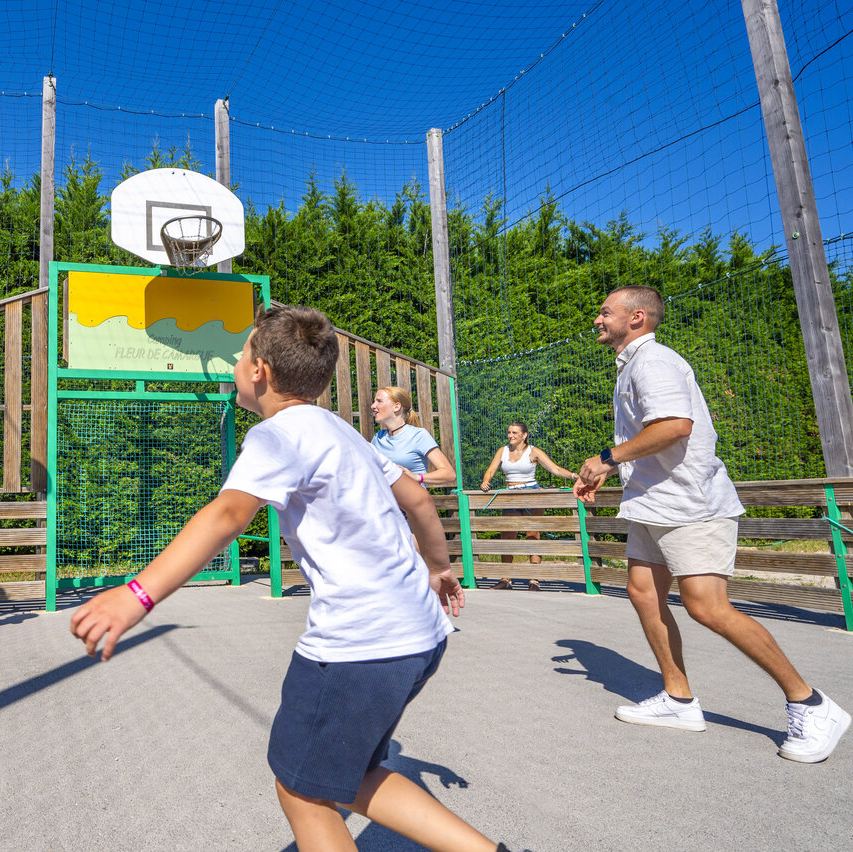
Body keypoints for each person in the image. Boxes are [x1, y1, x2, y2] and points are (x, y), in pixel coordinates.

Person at [71, 306, 519, 852]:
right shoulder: (345, 433)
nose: (236, 364)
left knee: (301, 788)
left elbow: (228, 514)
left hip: (361, 644)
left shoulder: (276, 435)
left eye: (240, 355)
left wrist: (135, 594)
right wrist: (440, 568)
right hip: (420, 636)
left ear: (258, 370)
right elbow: (419, 500)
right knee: (346, 775)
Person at [575, 285, 849, 763]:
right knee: (643, 592)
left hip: (690, 506)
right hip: (654, 505)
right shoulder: (632, 365)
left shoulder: (653, 361)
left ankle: (811, 702)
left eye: (605, 312)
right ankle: (679, 700)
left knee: (708, 608)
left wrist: (605, 459)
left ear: (636, 318)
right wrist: (616, 470)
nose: (597, 320)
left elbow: (675, 425)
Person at [479, 421, 577, 589]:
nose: (510, 435)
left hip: (532, 494)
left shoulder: (533, 452)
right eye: (509, 432)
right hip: (510, 496)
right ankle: (506, 579)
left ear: (524, 435)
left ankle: (534, 579)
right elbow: (490, 470)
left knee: (533, 535)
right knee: (508, 536)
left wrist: (575, 476)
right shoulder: (502, 451)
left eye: (515, 433)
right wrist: (486, 481)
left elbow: (555, 470)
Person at [369, 386, 456, 487]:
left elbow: (449, 474)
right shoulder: (378, 437)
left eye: (379, 401)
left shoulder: (418, 435)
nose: (373, 406)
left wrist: (417, 477)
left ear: (396, 406)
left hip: (414, 501)